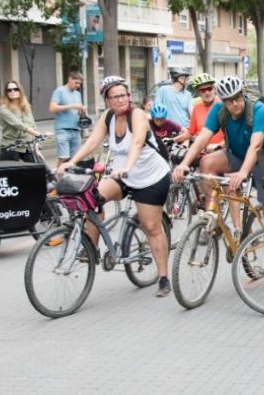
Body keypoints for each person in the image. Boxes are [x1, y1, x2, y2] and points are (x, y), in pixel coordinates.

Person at [59, 76, 172, 297]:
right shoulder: (108, 117)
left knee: (151, 227)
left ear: (129, 96)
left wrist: (127, 166)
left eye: (124, 95)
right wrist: (71, 162)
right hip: (122, 174)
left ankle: (163, 277)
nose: (120, 100)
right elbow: (92, 142)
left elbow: (137, 142)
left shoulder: (137, 115)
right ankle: (91, 247)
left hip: (150, 177)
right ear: (107, 100)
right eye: (115, 97)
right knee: (91, 198)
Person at [172, 76, 264, 287]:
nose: (234, 104)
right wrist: (184, 164)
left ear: (242, 95)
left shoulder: (259, 109)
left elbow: (256, 146)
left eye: (237, 98)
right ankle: (213, 216)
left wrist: (242, 173)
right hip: (237, 153)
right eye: (228, 100)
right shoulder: (219, 110)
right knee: (206, 163)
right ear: (222, 101)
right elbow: (202, 138)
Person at [173, 73, 225, 152]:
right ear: (198, 93)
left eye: (209, 88)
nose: (207, 92)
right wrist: (173, 140)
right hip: (203, 151)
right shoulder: (197, 108)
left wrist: (221, 145)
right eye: (203, 90)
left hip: (222, 150)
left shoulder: (224, 106)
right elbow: (190, 133)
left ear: (214, 89)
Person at [0, 80, 42, 162]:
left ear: (20, 90)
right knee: (11, 170)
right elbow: (18, 124)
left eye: (15, 89)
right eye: (9, 90)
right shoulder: (3, 109)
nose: (12, 92)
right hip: (10, 146)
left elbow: (33, 125)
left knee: (39, 167)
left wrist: (36, 148)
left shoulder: (26, 106)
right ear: (6, 93)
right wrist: (37, 133)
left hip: (26, 145)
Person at [49, 70, 85, 165]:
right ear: (69, 79)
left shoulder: (77, 94)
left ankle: (70, 174)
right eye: (76, 83)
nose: (78, 85)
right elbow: (52, 108)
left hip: (76, 130)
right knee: (64, 158)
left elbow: (77, 112)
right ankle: (58, 174)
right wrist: (71, 106)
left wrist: (82, 111)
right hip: (63, 130)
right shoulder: (59, 91)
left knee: (75, 159)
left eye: (79, 84)